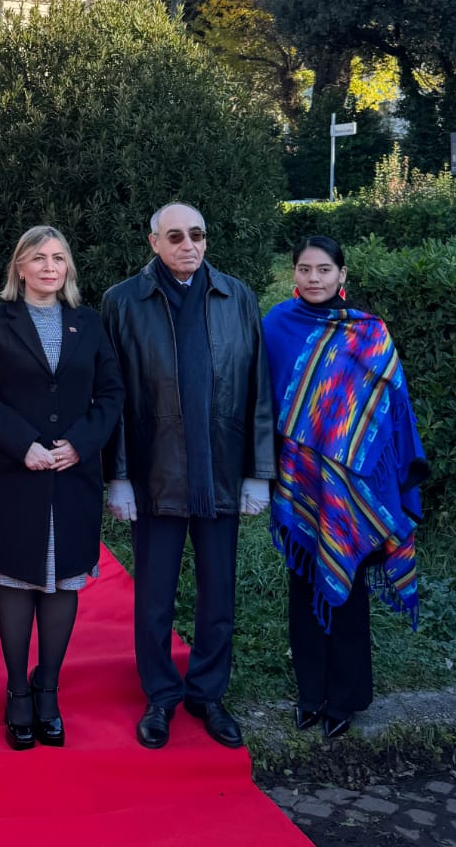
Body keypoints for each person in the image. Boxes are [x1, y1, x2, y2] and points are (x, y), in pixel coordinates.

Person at [101, 202, 275, 750]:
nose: (188, 244)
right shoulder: (122, 302)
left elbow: (258, 390)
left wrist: (258, 472)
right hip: (155, 474)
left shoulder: (237, 296)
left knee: (218, 593)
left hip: (221, 471)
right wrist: (118, 476)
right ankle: (160, 696)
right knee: (154, 595)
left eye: (197, 234)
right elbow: (114, 399)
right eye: (174, 236)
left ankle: (207, 693)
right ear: (153, 241)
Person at [0, 226, 123, 750]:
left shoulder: (90, 324)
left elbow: (110, 392)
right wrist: (23, 443)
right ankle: (16, 691)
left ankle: (47, 688)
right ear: (20, 268)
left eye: (59, 258)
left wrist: (80, 444)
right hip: (15, 474)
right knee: (16, 581)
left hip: (72, 472)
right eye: (39, 258)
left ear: (68, 268)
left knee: (64, 580)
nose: (50, 267)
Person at [263, 236, 429, 739]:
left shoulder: (369, 333)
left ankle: (347, 698)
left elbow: (392, 411)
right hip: (299, 478)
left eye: (324, 269)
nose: (313, 278)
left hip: (354, 487)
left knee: (349, 587)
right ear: (293, 273)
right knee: (303, 585)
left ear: (342, 275)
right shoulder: (276, 325)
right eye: (305, 269)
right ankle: (311, 695)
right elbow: (260, 398)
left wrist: (380, 475)